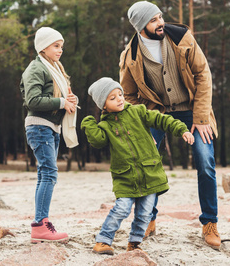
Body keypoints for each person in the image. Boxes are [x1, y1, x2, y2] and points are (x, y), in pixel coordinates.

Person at [119, 1, 220, 249]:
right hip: (156, 113)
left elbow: (203, 75)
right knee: (147, 163)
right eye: (153, 20)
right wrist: (143, 126)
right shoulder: (130, 56)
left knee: (205, 161)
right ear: (141, 26)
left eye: (160, 16)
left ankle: (210, 224)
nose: (160, 22)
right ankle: (146, 220)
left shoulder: (183, 38)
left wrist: (201, 117)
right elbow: (129, 96)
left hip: (193, 110)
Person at [81, 77, 194, 255]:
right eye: (112, 98)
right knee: (121, 209)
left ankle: (134, 243)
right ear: (103, 105)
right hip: (125, 177)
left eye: (120, 94)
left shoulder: (138, 111)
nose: (119, 99)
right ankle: (103, 241)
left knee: (144, 214)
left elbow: (161, 120)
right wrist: (87, 122)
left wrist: (182, 129)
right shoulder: (105, 125)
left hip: (150, 173)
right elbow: (97, 141)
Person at [20, 27, 79, 243]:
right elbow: (32, 101)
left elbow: (54, 97)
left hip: (51, 127)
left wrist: (68, 101)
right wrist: (62, 102)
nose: (60, 50)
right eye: (56, 45)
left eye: (61, 46)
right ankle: (41, 225)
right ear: (43, 47)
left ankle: (40, 224)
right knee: (49, 174)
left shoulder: (55, 68)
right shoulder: (36, 69)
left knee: (44, 174)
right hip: (39, 127)